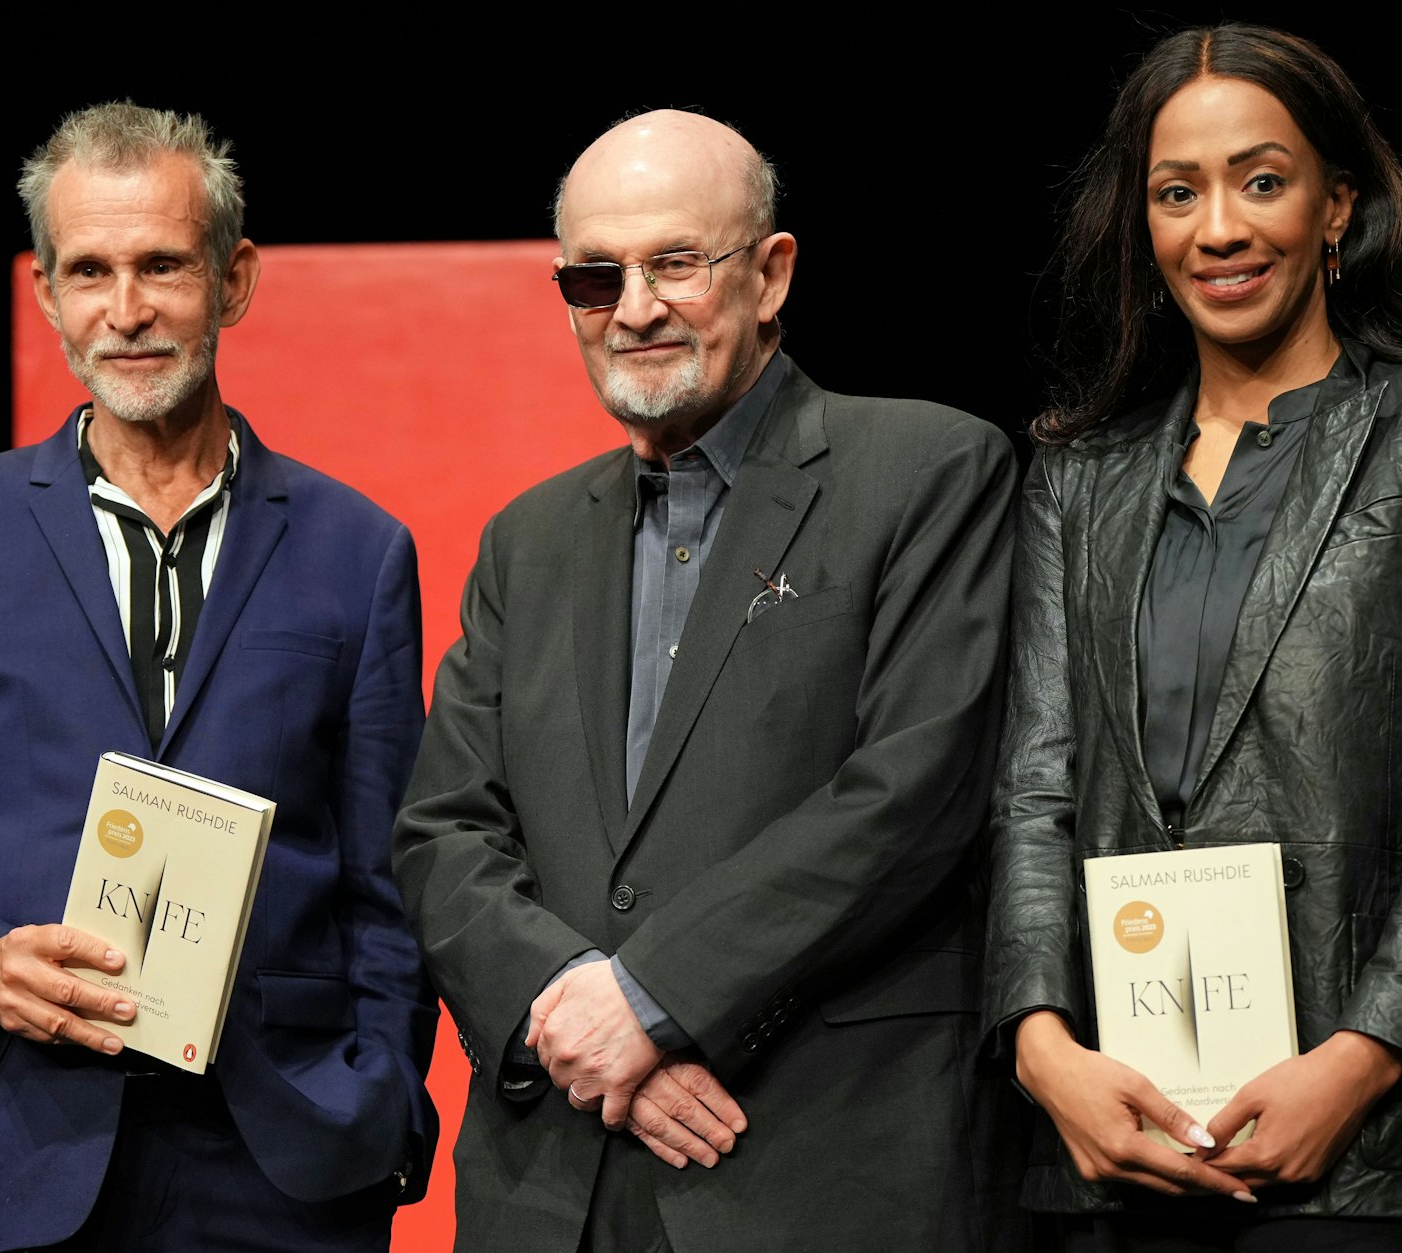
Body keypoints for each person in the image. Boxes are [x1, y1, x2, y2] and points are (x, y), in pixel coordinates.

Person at [0, 102, 437, 1252]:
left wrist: (376, 1098)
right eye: (89, 270)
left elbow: (391, 878)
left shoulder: (358, 547)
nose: (125, 311)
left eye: (161, 266)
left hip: (283, 1170)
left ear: (232, 280)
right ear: (44, 292)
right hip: (14, 1153)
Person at [982, 23, 1402, 1251]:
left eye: (1260, 180)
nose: (1217, 227)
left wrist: (1358, 1061)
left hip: (1374, 1153)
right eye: (1175, 191)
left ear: (1336, 206)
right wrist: (1045, 1052)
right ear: (1142, 227)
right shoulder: (1072, 476)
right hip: (1120, 1142)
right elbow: (1033, 792)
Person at [392, 109, 1025, 1251]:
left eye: (674, 262)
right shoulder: (523, 539)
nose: (632, 307)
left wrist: (652, 998)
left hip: (817, 1162)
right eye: (595, 277)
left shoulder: (929, 467)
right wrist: (576, 1012)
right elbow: (443, 828)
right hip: (553, 1185)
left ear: (771, 273)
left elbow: (913, 789)